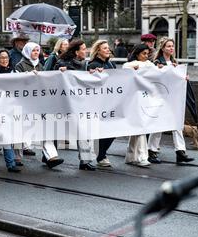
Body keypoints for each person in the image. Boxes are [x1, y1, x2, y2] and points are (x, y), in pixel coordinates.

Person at [15, 42, 64, 169]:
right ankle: (17, 156)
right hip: (24, 102)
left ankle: (51, 156)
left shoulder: (40, 66)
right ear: (27, 52)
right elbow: (16, 82)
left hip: (39, 103)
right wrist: (29, 76)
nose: (36, 53)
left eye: (38, 50)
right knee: (20, 129)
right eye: (34, 50)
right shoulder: (20, 66)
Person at [148, 37, 194, 164]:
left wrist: (184, 78)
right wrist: (160, 69)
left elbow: (176, 80)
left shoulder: (175, 63)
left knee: (177, 125)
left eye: (172, 46)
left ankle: (180, 152)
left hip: (172, 100)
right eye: (168, 46)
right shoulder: (156, 62)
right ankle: (151, 151)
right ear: (163, 48)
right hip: (160, 99)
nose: (171, 48)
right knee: (158, 126)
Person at [55, 39, 97, 171]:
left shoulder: (85, 64)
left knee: (84, 130)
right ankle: (49, 155)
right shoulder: (62, 63)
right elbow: (52, 76)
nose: (86, 51)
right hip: (66, 104)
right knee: (54, 130)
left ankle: (85, 160)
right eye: (83, 49)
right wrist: (59, 71)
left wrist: (94, 73)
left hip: (81, 103)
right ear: (76, 51)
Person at [0, 49, 22, 173]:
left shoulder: (15, 72)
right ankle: (10, 164)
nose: (4, 60)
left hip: (12, 109)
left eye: (6, 57)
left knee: (3, 138)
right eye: (1, 58)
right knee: (4, 137)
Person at [122, 44, 155, 167]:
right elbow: (125, 70)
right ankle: (142, 156)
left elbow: (159, 73)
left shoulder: (149, 65)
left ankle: (130, 156)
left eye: (147, 54)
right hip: (133, 100)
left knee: (138, 128)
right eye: (143, 54)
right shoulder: (130, 65)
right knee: (141, 127)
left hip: (144, 99)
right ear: (137, 54)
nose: (146, 56)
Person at [87, 40, 117, 168]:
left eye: (108, 48)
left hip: (111, 101)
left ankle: (101, 153)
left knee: (114, 130)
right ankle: (101, 155)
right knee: (103, 129)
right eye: (105, 48)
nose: (108, 50)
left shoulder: (111, 64)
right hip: (99, 102)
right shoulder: (93, 64)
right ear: (98, 50)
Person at [8, 33, 35, 157]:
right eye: (21, 41)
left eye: (25, 42)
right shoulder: (11, 54)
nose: (23, 44)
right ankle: (17, 153)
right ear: (15, 42)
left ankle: (26, 145)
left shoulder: (31, 56)